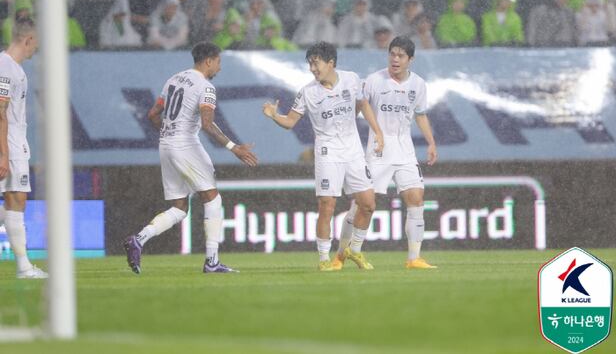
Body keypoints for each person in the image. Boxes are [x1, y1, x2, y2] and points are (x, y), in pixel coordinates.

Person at [124, 42, 258, 274]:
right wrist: (234, 147)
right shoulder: (206, 87)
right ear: (208, 61)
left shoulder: (173, 80)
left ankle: (139, 239)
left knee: (179, 208)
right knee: (213, 200)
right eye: (218, 62)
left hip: (166, 144)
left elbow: (153, 114)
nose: (219, 68)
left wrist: (170, 133)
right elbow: (207, 124)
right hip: (185, 144)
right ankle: (212, 262)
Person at [262, 42, 384, 271]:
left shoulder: (351, 79)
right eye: (310, 64)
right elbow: (290, 122)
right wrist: (274, 116)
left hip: (353, 152)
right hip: (327, 152)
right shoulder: (307, 92)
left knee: (368, 204)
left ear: (331, 63)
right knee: (327, 205)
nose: (312, 69)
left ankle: (354, 250)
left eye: (315, 63)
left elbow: (363, 105)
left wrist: (377, 131)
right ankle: (323, 259)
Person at [337, 36, 438, 270]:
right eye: (392, 54)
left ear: (410, 59)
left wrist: (431, 143)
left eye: (401, 55)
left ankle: (414, 258)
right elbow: (357, 109)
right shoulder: (374, 81)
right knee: (362, 204)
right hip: (378, 150)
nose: (395, 59)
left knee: (416, 199)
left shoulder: (418, 85)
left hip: (405, 151)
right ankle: (340, 255)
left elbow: (420, 115)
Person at [0, 17, 47, 279]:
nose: (36, 48)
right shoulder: (5, 67)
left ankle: (24, 266)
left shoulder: (13, 68)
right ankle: (24, 267)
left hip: (14, 141)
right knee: (16, 199)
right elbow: (0, 112)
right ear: (28, 39)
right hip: (8, 142)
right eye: (36, 43)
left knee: (15, 201)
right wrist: (4, 154)